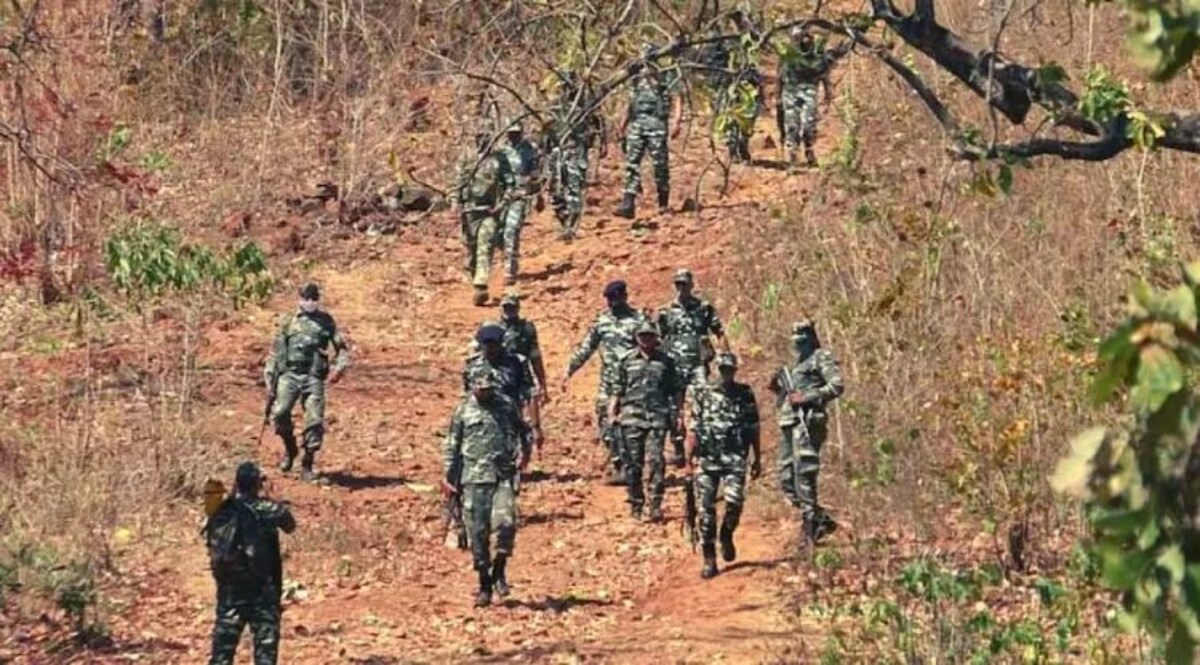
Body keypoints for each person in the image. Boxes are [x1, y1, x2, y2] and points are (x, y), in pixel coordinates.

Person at [442, 373, 531, 607]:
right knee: (478, 534)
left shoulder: (506, 405)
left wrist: (525, 454)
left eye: (489, 389)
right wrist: (448, 477)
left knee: (506, 523)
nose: (485, 393)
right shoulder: (462, 411)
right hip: (473, 479)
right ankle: (484, 583)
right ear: (473, 388)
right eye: (481, 389)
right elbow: (452, 445)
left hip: (502, 474)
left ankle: (499, 569)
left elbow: (524, 429)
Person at [206, 462, 296, 665]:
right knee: (265, 654)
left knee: (221, 655)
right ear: (257, 483)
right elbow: (290, 524)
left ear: (237, 484)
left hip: (230, 592)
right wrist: (268, 495)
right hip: (263, 592)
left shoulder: (222, 511)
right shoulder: (267, 508)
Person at [563, 280, 650, 484]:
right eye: (609, 299)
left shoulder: (639, 321)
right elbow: (587, 347)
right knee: (605, 420)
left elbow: (652, 346)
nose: (612, 303)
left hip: (633, 381)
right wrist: (570, 369)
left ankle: (633, 465)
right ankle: (619, 463)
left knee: (633, 423)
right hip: (608, 382)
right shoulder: (602, 322)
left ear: (624, 297)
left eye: (615, 298)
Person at [263, 283, 350, 483]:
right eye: (305, 298)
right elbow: (276, 351)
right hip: (290, 375)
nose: (309, 302)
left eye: (313, 298)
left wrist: (339, 369)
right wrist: (270, 376)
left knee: (314, 420)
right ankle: (290, 449)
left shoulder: (326, 321)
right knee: (280, 413)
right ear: (299, 298)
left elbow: (342, 348)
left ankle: (307, 464)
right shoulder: (288, 321)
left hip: (313, 377)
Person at [768, 319, 844, 546]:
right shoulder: (796, 365)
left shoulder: (820, 357)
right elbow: (783, 395)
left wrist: (808, 396)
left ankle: (810, 529)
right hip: (789, 424)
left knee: (804, 474)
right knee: (786, 479)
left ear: (811, 336)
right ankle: (821, 520)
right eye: (794, 336)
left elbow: (837, 385)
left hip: (808, 423)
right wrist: (777, 386)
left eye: (802, 335)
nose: (797, 340)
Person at [684, 352, 761, 579]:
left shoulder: (744, 394)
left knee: (734, 503)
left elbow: (753, 427)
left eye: (729, 369)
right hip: (707, 459)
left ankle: (726, 534)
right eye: (721, 369)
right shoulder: (701, 393)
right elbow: (693, 428)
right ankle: (709, 558)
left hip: (735, 457)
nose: (725, 374)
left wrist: (758, 457)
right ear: (714, 370)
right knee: (705, 511)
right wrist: (688, 462)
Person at [608, 321, 683, 522]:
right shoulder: (626, 360)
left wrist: (679, 413)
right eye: (642, 335)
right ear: (636, 337)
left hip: (657, 418)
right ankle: (636, 504)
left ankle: (656, 504)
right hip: (631, 417)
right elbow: (617, 389)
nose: (646, 339)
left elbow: (675, 389)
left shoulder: (666, 361)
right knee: (633, 464)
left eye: (650, 335)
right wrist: (612, 411)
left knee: (656, 461)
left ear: (656, 337)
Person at [657, 268, 727, 466]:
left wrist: (725, 356)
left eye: (685, 284)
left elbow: (719, 332)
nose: (682, 288)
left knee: (702, 404)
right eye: (678, 284)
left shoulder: (703, 308)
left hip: (698, 365)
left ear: (692, 285)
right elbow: (657, 338)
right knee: (673, 409)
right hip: (674, 367)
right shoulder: (666, 311)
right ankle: (679, 450)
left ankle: (704, 447)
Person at [616, 47, 683, 219]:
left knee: (660, 165)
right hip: (637, 123)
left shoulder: (664, 75)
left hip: (656, 124)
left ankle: (663, 203)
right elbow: (629, 102)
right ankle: (628, 202)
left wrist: (676, 121)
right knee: (632, 163)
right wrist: (622, 124)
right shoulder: (637, 77)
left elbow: (676, 98)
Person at [776, 26, 850, 170]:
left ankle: (809, 150)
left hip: (809, 91)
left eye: (808, 37)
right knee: (792, 125)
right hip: (790, 92)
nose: (805, 40)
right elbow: (779, 75)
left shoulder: (817, 55)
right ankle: (793, 157)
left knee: (809, 124)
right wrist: (778, 96)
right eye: (800, 37)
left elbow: (823, 72)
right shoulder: (788, 54)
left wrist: (828, 91)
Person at [463, 323, 544, 453]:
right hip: (480, 424)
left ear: (502, 344)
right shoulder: (472, 365)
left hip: (509, 423)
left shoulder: (516, 363)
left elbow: (529, 393)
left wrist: (535, 427)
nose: (491, 350)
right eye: (487, 346)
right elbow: (467, 397)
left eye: (494, 345)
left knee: (509, 465)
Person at [454, 130, 514, 306]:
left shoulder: (499, 160)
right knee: (471, 249)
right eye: (479, 137)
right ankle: (476, 281)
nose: (482, 141)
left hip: (489, 212)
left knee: (485, 246)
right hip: (469, 212)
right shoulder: (467, 159)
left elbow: (510, 185)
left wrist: (501, 205)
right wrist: (454, 202)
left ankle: (481, 284)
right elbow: (457, 182)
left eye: (486, 137)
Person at [548, 71, 603, 239]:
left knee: (574, 190)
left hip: (576, 151)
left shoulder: (585, 106)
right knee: (556, 192)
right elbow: (547, 130)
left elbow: (597, 126)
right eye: (564, 86)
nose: (567, 90)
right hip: (557, 153)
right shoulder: (555, 106)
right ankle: (563, 223)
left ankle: (572, 227)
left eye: (569, 86)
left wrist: (592, 144)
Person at [500, 121, 540, 284]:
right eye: (510, 133)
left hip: (520, 195)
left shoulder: (530, 150)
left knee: (512, 228)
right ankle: (506, 255)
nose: (513, 136)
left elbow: (535, 174)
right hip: (501, 196)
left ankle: (510, 270)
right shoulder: (501, 150)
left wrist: (538, 196)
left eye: (516, 133)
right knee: (500, 231)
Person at [491, 293, 548, 401]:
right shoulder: (492, 329)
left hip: (522, 377)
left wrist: (542, 385)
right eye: (506, 307)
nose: (509, 310)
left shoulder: (527, 329)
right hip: (499, 376)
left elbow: (535, 357)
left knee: (529, 411)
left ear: (518, 308)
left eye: (512, 307)